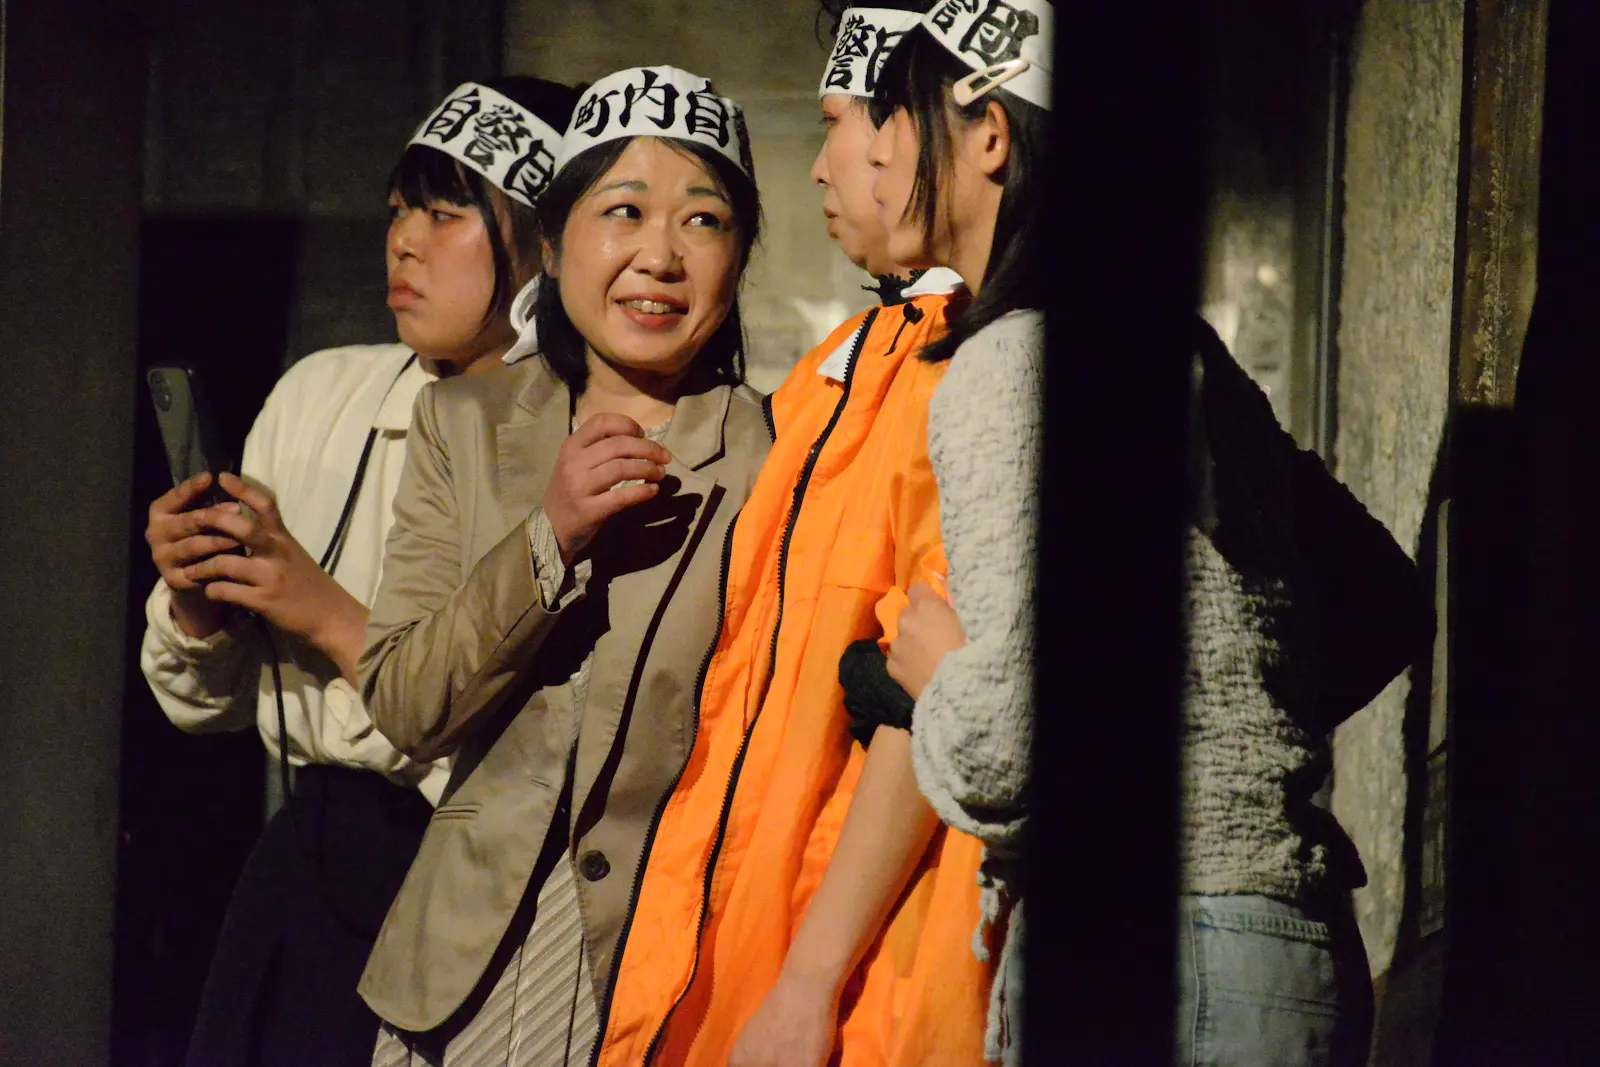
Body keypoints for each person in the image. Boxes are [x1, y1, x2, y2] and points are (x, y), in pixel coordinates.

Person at [869, 3, 1432, 1064]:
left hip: (1160, 949)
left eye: (894, 111)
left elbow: (1007, 745)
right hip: (1287, 944)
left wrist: (939, 681)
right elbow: (1382, 600)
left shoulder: (1011, 363)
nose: (869, 147)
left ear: (988, 132)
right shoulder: (1177, 347)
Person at [138, 77, 579, 1067]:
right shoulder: (321, 391)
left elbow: (535, 737)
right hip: (308, 855)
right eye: (396, 212)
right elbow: (203, 708)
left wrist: (325, 611)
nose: (405, 243)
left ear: (543, 248)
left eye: (445, 215)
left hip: (481, 870)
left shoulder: (576, 440)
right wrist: (200, 604)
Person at [592, 8, 994, 1067]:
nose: (819, 168)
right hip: (748, 941)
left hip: (872, 964)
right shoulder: (836, 368)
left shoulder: (974, 365)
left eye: (836, 124)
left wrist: (809, 979)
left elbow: (923, 693)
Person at [356, 66, 769, 1067]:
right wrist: (548, 538)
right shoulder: (462, 421)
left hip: (667, 967)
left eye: (704, 221)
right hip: (454, 971)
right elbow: (402, 700)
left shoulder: (780, 453)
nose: (659, 255)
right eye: (622, 211)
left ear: (740, 256)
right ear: (553, 243)